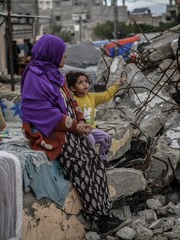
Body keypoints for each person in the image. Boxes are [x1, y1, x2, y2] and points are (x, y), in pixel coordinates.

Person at [20, 34, 128, 235]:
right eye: (62, 53)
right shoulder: (35, 76)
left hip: (69, 129)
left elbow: (71, 101)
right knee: (82, 167)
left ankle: (104, 212)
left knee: (95, 162)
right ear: (51, 53)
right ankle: (100, 219)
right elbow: (42, 112)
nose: (65, 57)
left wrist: (81, 122)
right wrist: (73, 126)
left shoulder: (53, 74)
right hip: (52, 132)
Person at [66, 71, 125, 163]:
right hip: (80, 130)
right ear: (73, 88)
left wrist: (117, 85)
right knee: (91, 140)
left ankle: (102, 160)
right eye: (80, 83)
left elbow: (106, 96)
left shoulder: (91, 97)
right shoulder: (73, 100)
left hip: (92, 129)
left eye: (86, 81)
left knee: (106, 137)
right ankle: (91, 162)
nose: (85, 84)